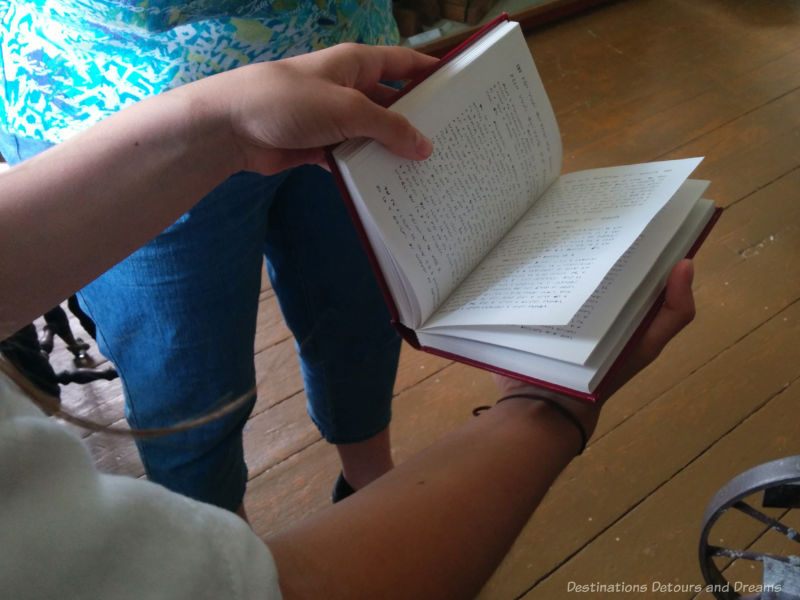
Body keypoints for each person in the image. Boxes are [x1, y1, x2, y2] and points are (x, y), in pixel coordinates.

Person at [0, 43, 697, 599]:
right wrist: (548, 405)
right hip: (103, 88)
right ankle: (220, 525)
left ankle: (366, 483)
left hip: (321, 74)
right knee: (188, 393)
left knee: (359, 325)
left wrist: (226, 122)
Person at [0, 0, 410, 514]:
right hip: (115, 93)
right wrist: (529, 412)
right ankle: (227, 568)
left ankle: (371, 490)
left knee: (363, 315)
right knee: (187, 393)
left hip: (346, 44)